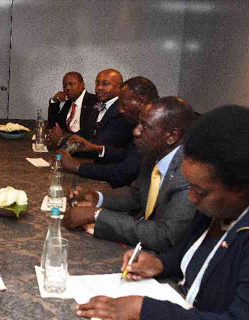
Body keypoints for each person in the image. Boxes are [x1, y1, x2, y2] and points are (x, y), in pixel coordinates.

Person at [76, 105, 249, 320]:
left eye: (199, 191)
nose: (190, 198)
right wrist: (161, 263)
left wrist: (144, 310)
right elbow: (196, 247)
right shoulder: (221, 203)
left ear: (240, 187)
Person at [63, 96, 196, 253]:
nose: (135, 131)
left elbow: (165, 235)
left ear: (172, 136)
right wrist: (97, 198)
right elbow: (136, 195)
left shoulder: (190, 174)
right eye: (138, 123)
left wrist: (97, 215)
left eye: (145, 126)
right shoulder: (152, 155)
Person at [58, 76, 158, 189]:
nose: (120, 110)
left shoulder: (154, 131)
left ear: (141, 102)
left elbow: (125, 172)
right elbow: (126, 155)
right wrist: (96, 148)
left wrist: (77, 167)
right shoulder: (142, 124)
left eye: (124, 105)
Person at [60, 69, 135, 157]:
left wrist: (62, 140)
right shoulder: (98, 106)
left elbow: (102, 143)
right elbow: (85, 132)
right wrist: (66, 139)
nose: (99, 88)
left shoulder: (122, 111)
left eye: (105, 83)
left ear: (119, 88)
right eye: (97, 83)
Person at [47, 72, 98, 148]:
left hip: (81, 148)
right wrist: (54, 101)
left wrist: (64, 137)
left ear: (82, 85)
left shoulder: (93, 101)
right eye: (64, 86)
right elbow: (54, 124)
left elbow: (88, 132)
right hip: (63, 146)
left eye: (71, 84)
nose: (67, 88)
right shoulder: (69, 102)